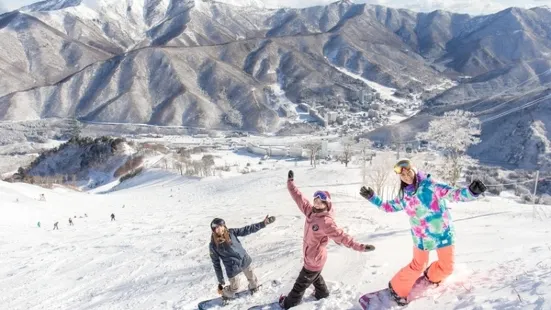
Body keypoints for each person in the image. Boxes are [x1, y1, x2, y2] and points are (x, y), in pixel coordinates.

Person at [359, 158, 487, 305]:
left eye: (408, 172)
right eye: (403, 175)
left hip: (443, 234)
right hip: (421, 238)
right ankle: (396, 289)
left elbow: (453, 194)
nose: (406, 176)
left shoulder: (430, 186)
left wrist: (471, 192)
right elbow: (388, 207)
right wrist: (373, 198)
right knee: (417, 265)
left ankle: (432, 276)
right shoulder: (404, 196)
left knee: (447, 267)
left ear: (414, 170)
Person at [279, 170, 375, 309]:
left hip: (314, 258)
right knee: (315, 276)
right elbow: (298, 197)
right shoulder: (310, 211)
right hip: (313, 256)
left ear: (327, 205)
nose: (317, 204)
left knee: (300, 285)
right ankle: (322, 293)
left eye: (320, 202)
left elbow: (342, 237)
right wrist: (290, 183)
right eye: (315, 201)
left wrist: (360, 246)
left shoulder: (326, 222)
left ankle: (288, 303)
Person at [210, 215, 276, 303]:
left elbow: (247, 229)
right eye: (217, 228)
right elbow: (216, 263)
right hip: (232, 267)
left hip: (244, 259)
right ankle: (226, 294)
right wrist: (220, 279)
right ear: (213, 230)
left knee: (252, 278)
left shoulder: (231, 232)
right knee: (235, 287)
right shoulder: (213, 245)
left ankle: (254, 288)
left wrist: (263, 223)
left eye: (221, 226)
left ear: (224, 226)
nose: (220, 229)